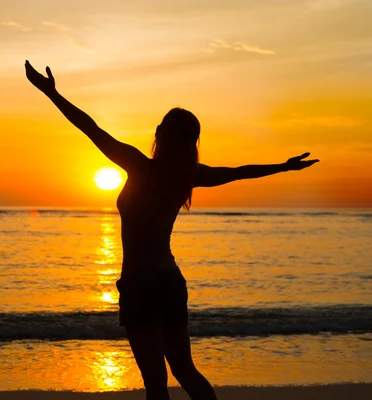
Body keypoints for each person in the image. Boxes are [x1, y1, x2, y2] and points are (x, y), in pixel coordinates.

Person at [24, 60, 319, 400]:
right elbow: (240, 171)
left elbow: (89, 128)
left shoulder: (139, 165)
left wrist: (52, 94)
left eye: (162, 124)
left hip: (140, 284)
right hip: (170, 282)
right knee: (185, 372)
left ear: (162, 134)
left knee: (155, 383)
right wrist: (284, 167)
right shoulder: (189, 175)